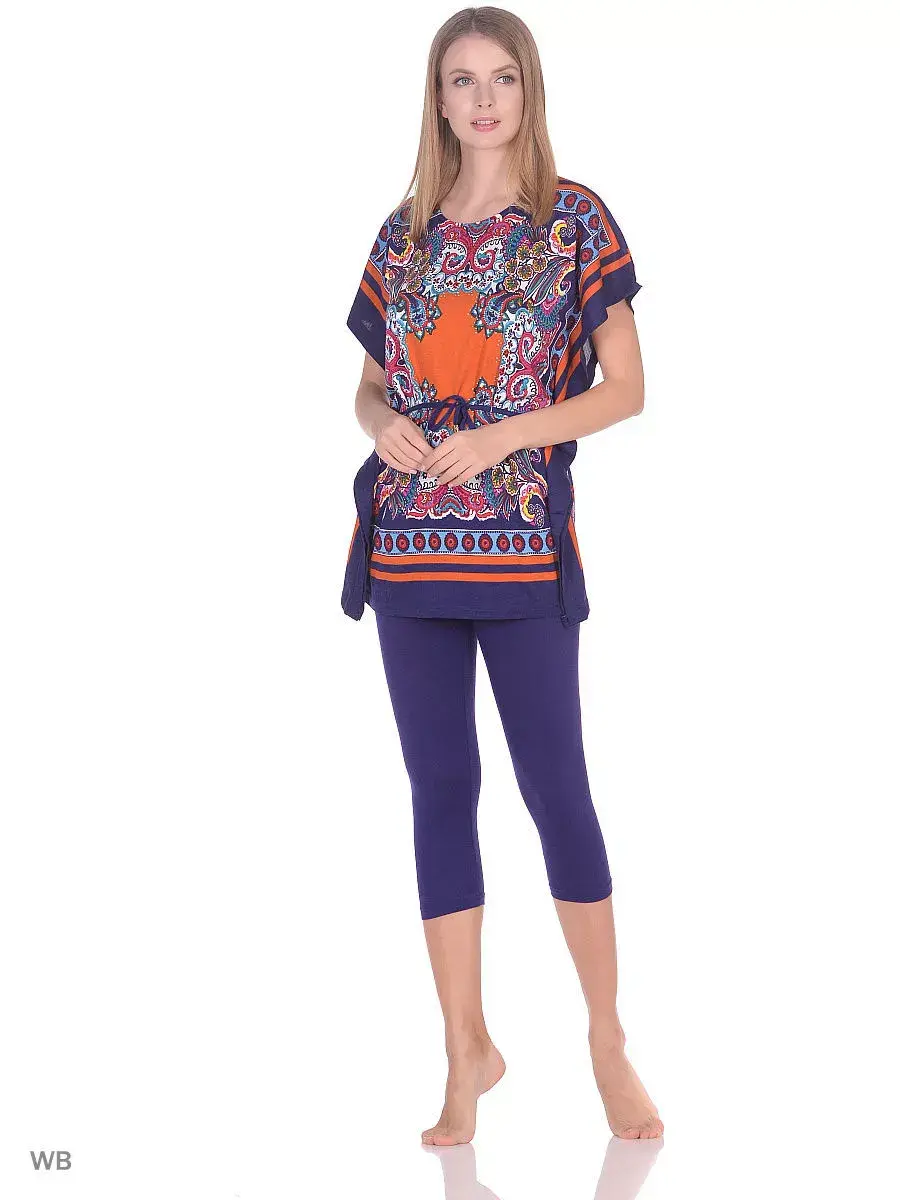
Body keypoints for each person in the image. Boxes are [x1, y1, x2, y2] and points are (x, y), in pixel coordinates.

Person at [341, 6, 663, 1146]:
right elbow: (369, 387)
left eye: (502, 79)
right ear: (437, 100)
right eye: (461, 81)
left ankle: (606, 1038)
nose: (482, 100)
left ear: (529, 91)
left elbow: (626, 390)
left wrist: (504, 436)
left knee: (556, 789)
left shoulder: (575, 221)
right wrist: (381, 425)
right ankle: (465, 1050)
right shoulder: (404, 236)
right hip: (407, 551)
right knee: (439, 792)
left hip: (522, 549)